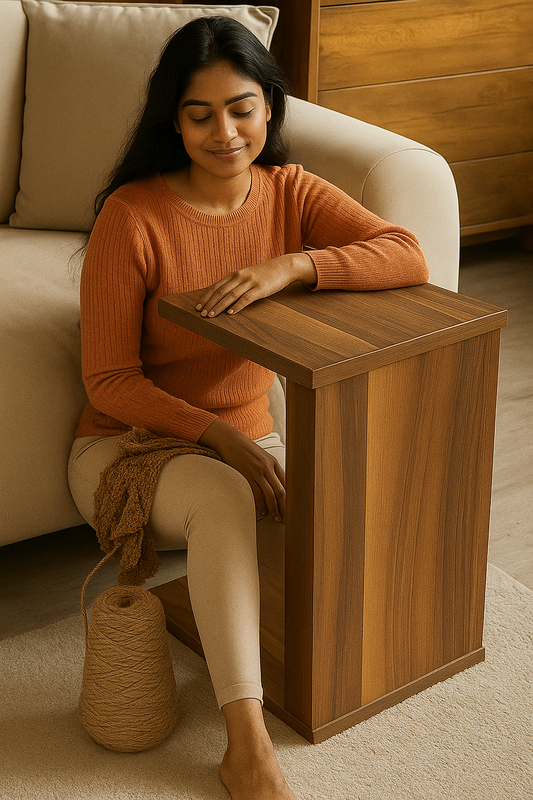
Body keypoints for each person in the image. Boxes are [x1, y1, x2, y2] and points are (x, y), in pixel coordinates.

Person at [68, 15, 429, 800]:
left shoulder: (290, 192)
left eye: (241, 108)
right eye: (199, 114)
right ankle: (246, 743)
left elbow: (406, 252)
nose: (224, 132)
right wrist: (222, 440)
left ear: (269, 107)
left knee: (356, 480)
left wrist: (293, 265)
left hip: (245, 439)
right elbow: (108, 383)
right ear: (174, 119)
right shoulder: (130, 217)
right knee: (230, 491)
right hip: (129, 446)